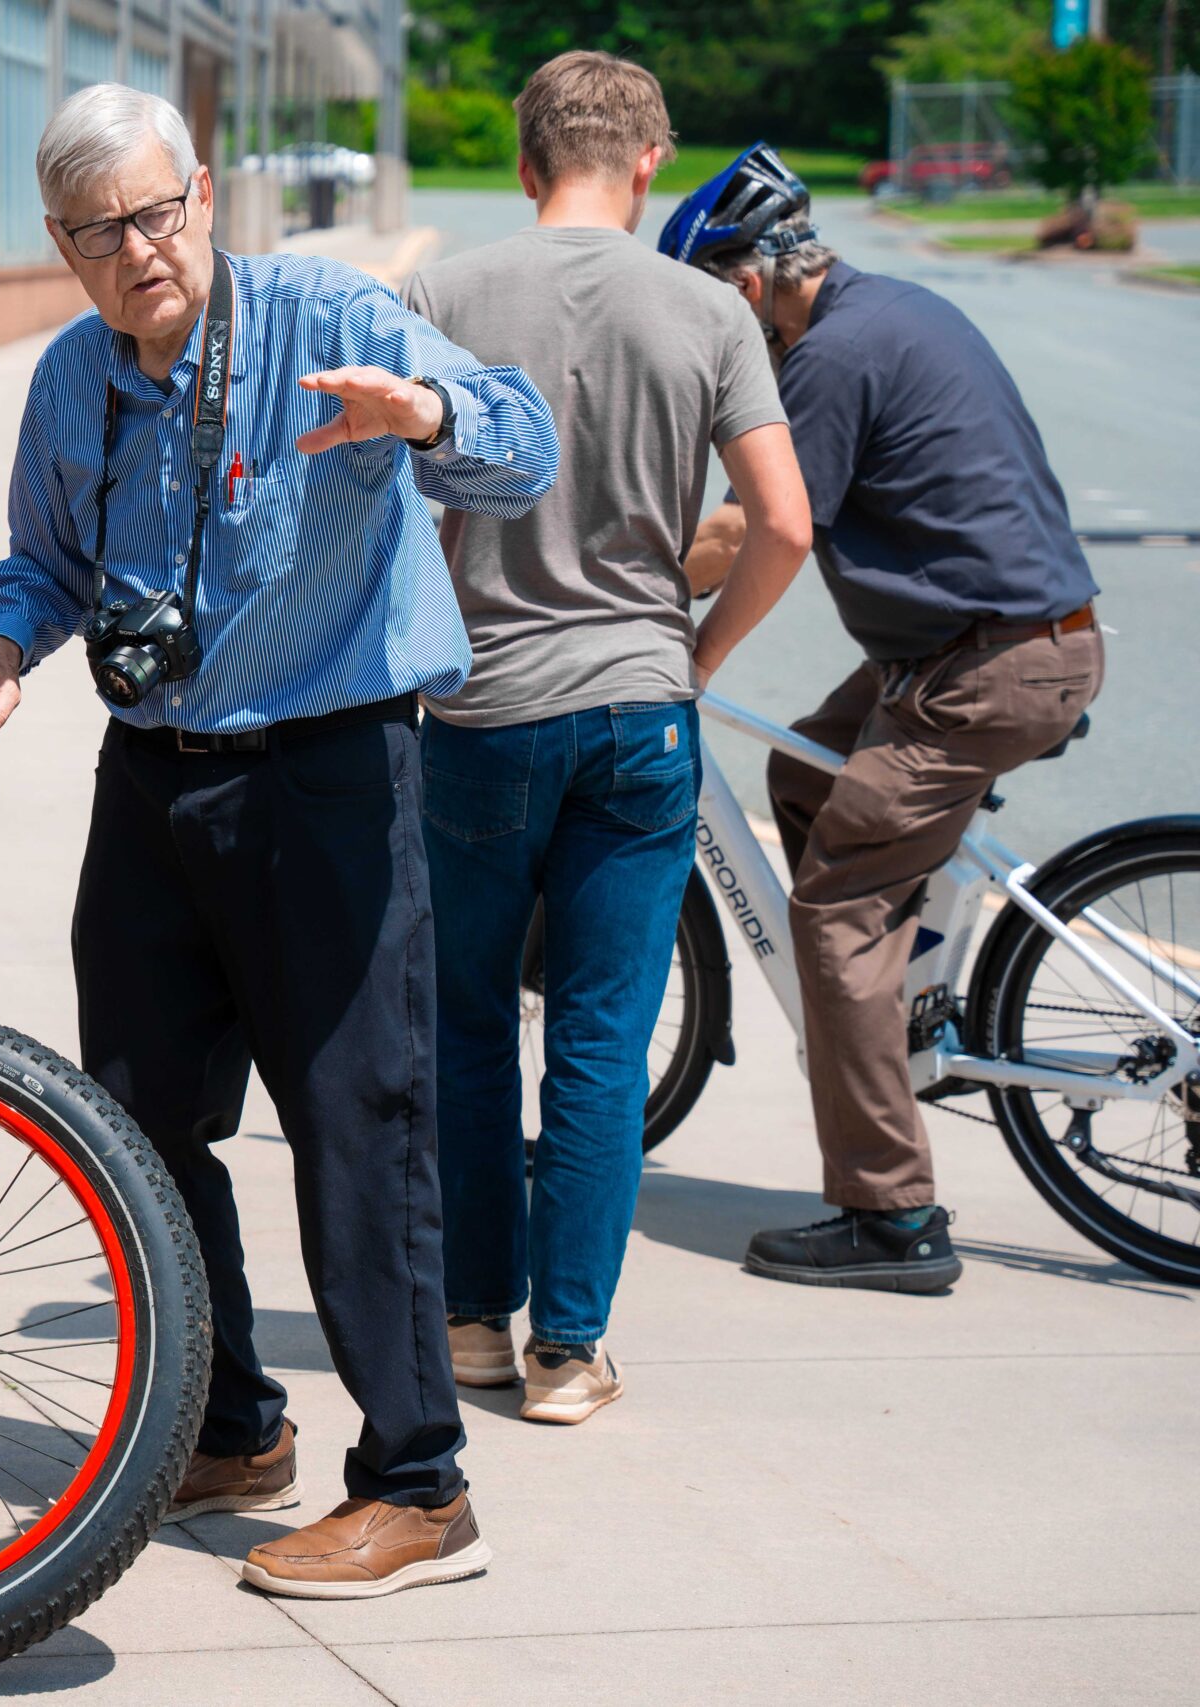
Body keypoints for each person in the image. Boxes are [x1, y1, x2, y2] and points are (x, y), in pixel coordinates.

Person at [0, 83, 557, 1600]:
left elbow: (524, 443)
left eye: (158, 213)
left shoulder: (324, 313)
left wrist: (423, 414)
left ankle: (419, 1482)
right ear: (63, 246)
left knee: (359, 1124)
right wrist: (2, 647)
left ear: (204, 195)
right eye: (101, 232)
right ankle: (230, 1423)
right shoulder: (75, 378)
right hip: (152, 778)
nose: (140, 249)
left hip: (328, 774)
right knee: (141, 1126)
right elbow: (46, 561)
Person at [403, 54, 811, 1424]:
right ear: (650, 168)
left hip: (478, 708)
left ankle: (469, 1318)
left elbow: (396, 507)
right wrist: (693, 655)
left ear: (527, 164)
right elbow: (785, 522)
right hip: (638, 703)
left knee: (466, 1023)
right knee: (598, 1035)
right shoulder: (709, 308)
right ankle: (568, 1351)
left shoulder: (445, 294)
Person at [666, 145, 1103, 1292]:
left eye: (718, 312)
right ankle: (889, 1013)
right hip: (991, 645)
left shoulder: (828, 358)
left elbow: (756, 529)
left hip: (983, 669)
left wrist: (668, 621)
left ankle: (891, 1217)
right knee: (807, 778)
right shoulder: (896, 309)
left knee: (837, 906)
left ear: (749, 284)